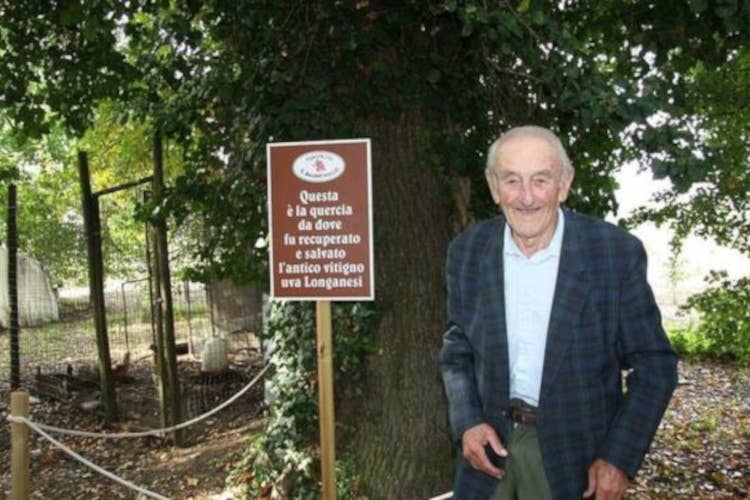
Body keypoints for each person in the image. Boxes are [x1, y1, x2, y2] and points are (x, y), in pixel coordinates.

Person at [439, 126, 677, 500]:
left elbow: (655, 366)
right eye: (512, 180)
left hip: (577, 458)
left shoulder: (613, 254)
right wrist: (468, 421)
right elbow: (458, 352)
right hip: (489, 453)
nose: (527, 197)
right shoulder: (467, 251)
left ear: (564, 183)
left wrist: (618, 457)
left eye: (541, 180)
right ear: (493, 186)